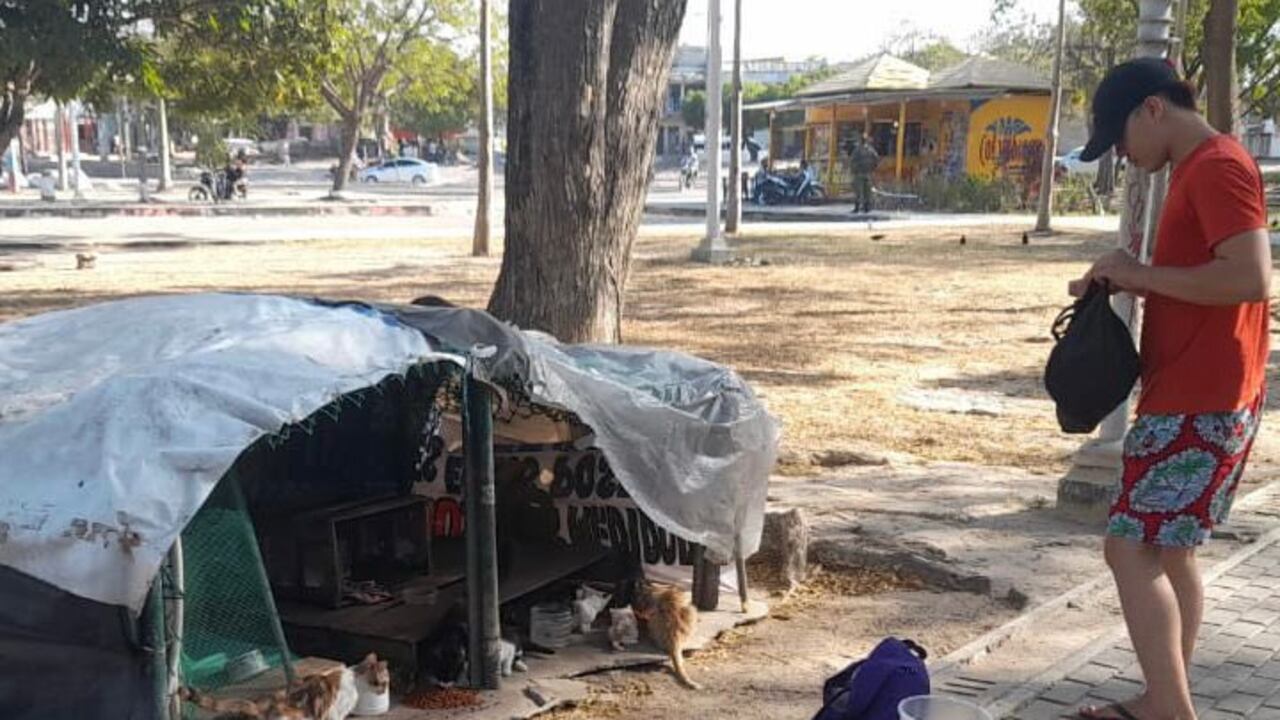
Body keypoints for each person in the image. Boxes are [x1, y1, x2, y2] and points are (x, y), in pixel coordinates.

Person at [1068, 57, 1271, 720]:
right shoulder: (1203, 166)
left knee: (1128, 548)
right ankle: (1166, 697)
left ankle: (1170, 709)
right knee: (1171, 550)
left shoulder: (1214, 166)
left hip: (1200, 395)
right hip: (1205, 387)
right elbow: (1212, 274)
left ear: (1152, 108)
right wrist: (1127, 276)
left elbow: (1249, 278)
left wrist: (1143, 274)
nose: (1125, 157)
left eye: (1121, 141)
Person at [849, 133, 879, 214]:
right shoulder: (871, 150)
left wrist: (854, 170)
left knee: (859, 192)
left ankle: (857, 208)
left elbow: (852, 161)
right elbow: (876, 160)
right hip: (868, 173)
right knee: (867, 192)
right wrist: (872, 169)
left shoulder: (857, 150)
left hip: (859, 173)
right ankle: (866, 208)